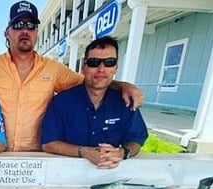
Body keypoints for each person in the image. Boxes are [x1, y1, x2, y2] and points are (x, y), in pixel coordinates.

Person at [0, 1, 144, 152]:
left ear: (37, 32)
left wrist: (122, 85)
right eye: (18, 25)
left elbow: (91, 80)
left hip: (37, 155)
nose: (25, 30)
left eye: (31, 25)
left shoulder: (54, 69)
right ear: (7, 32)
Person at [41, 36, 148, 169]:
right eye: (94, 62)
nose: (101, 69)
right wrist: (84, 152)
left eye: (109, 62)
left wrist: (123, 153)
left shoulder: (125, 101)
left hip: (111, 173)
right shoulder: (61, 102)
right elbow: (48, 143)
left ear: (115, 68)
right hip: (67, 173)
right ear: (84, 68)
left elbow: (136, 139)